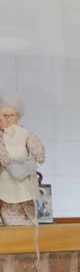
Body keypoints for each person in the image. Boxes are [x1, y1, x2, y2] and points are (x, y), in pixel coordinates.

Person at [0, 95, 45, 226]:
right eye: (4, 115)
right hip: (3, 177)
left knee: (24, 209)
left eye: (12, 115)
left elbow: (37, 150)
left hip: (23, 177)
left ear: (18, 117)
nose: (8, 119)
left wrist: (33, 161)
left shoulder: (24, 132)